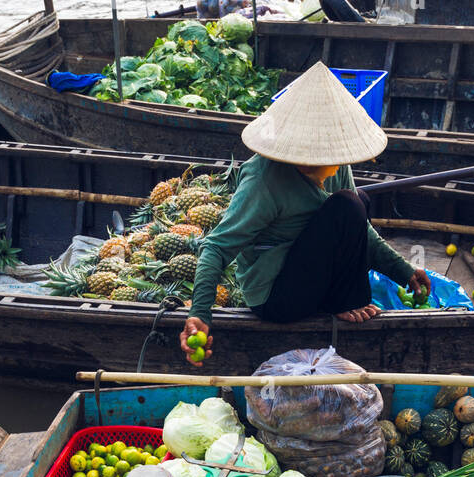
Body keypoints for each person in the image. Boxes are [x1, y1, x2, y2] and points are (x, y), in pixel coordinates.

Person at [179, 63, 430, 364]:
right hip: (276, 297)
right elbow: (216, 247)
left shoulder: (337, 164)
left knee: (357, 200)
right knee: (348, 204)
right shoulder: (264, 181)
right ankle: (342, 302)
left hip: (313, 278)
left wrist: (404, 271)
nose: (333, 165)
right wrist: (200, 313)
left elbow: (358, 228)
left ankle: (339, 299)